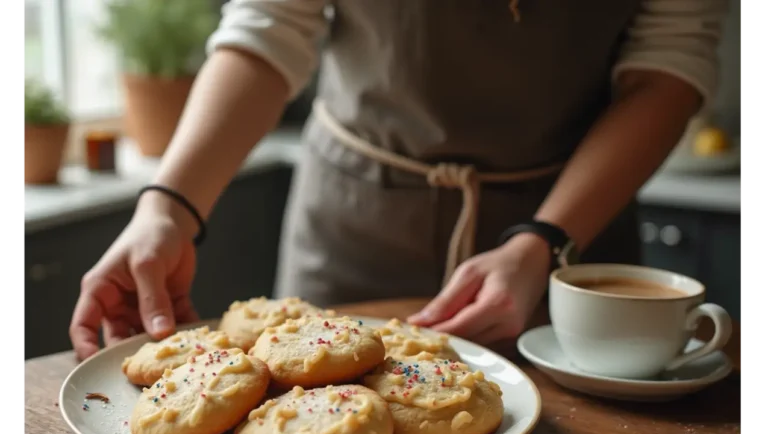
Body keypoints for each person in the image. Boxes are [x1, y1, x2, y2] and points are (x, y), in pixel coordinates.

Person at [69, 0, 729, 360]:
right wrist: (167, 207)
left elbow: (666, 70)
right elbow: (269, 28)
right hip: (353, 218)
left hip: (568, 238)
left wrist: (545, 241)